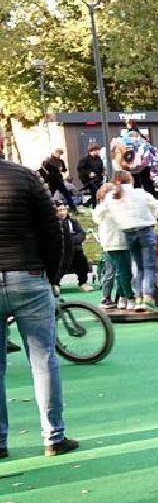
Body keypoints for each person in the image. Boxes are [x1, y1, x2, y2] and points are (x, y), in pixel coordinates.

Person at [0, 160, 76, 458]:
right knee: (43, 359)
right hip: (28, 275)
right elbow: (52, 231)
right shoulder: (25, 176)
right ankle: (54, 436)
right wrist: (52, 276)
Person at [104, 164, 158, 311]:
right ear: (130, 180)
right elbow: (157, 212)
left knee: (139, 266)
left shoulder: (111, 197)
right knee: (149, 266)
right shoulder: (141, 193)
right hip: (145, 230)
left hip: (128, 232)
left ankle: (138, 298)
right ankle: (148, 297)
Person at [92, 177, 133, 310]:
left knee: (118, 271)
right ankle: (121, 296)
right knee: (118, 271)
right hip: (115, 242)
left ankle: (119, 296)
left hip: (112, 242)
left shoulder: (106, 208)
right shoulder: (105, 208)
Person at [53, 201, 91, 289]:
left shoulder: (73, 222)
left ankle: (83, 282)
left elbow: (81, 234)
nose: (62, 212)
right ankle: (56, 283)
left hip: (75, 249)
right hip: (61, 251)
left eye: (64, 210)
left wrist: (70, 240)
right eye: (59, 210)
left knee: (81, 258)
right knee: (61, 259)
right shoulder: (54, 224)